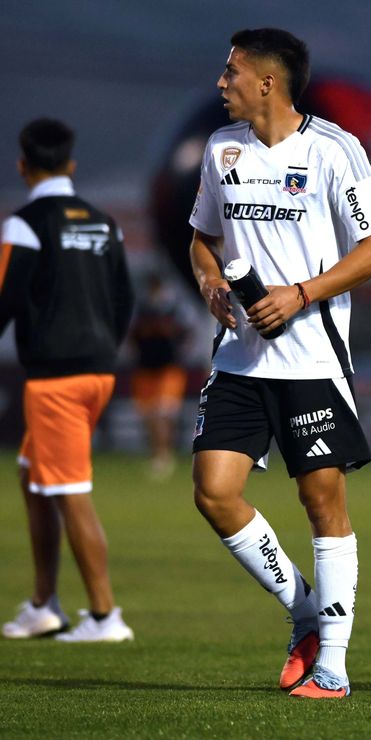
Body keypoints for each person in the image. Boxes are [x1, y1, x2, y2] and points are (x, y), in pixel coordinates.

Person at [188, 28, 371, 699]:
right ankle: (305, 609)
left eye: (231, 72)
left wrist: (301, 293)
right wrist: (211, 284)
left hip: (312, 360)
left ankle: (332, 662)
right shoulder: (221, 152)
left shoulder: (336, 149)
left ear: (268, 82)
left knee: (320, 498)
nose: (221, 83)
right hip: (240, 360)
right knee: (214, 493)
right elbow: (203, 242)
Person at [0, 118, 135, 642]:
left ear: (22, 165)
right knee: (34, 476)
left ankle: (105, 617)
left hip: (55, 376)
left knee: (70, 490)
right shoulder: (104, 222)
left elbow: (7, 298)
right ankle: (43, 605)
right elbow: (124, 298)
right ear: (71, 165)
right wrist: (102, 347)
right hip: (98, 370)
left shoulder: (26, 222)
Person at [130, 273, 191, 480]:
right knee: (148, 415)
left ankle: (164, 455)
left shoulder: (174, 309)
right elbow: (133, 336)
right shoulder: (142, 310)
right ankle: (157, 453)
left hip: (168, 368)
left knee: (163, 413)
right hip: (145, 368)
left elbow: (185, 334)